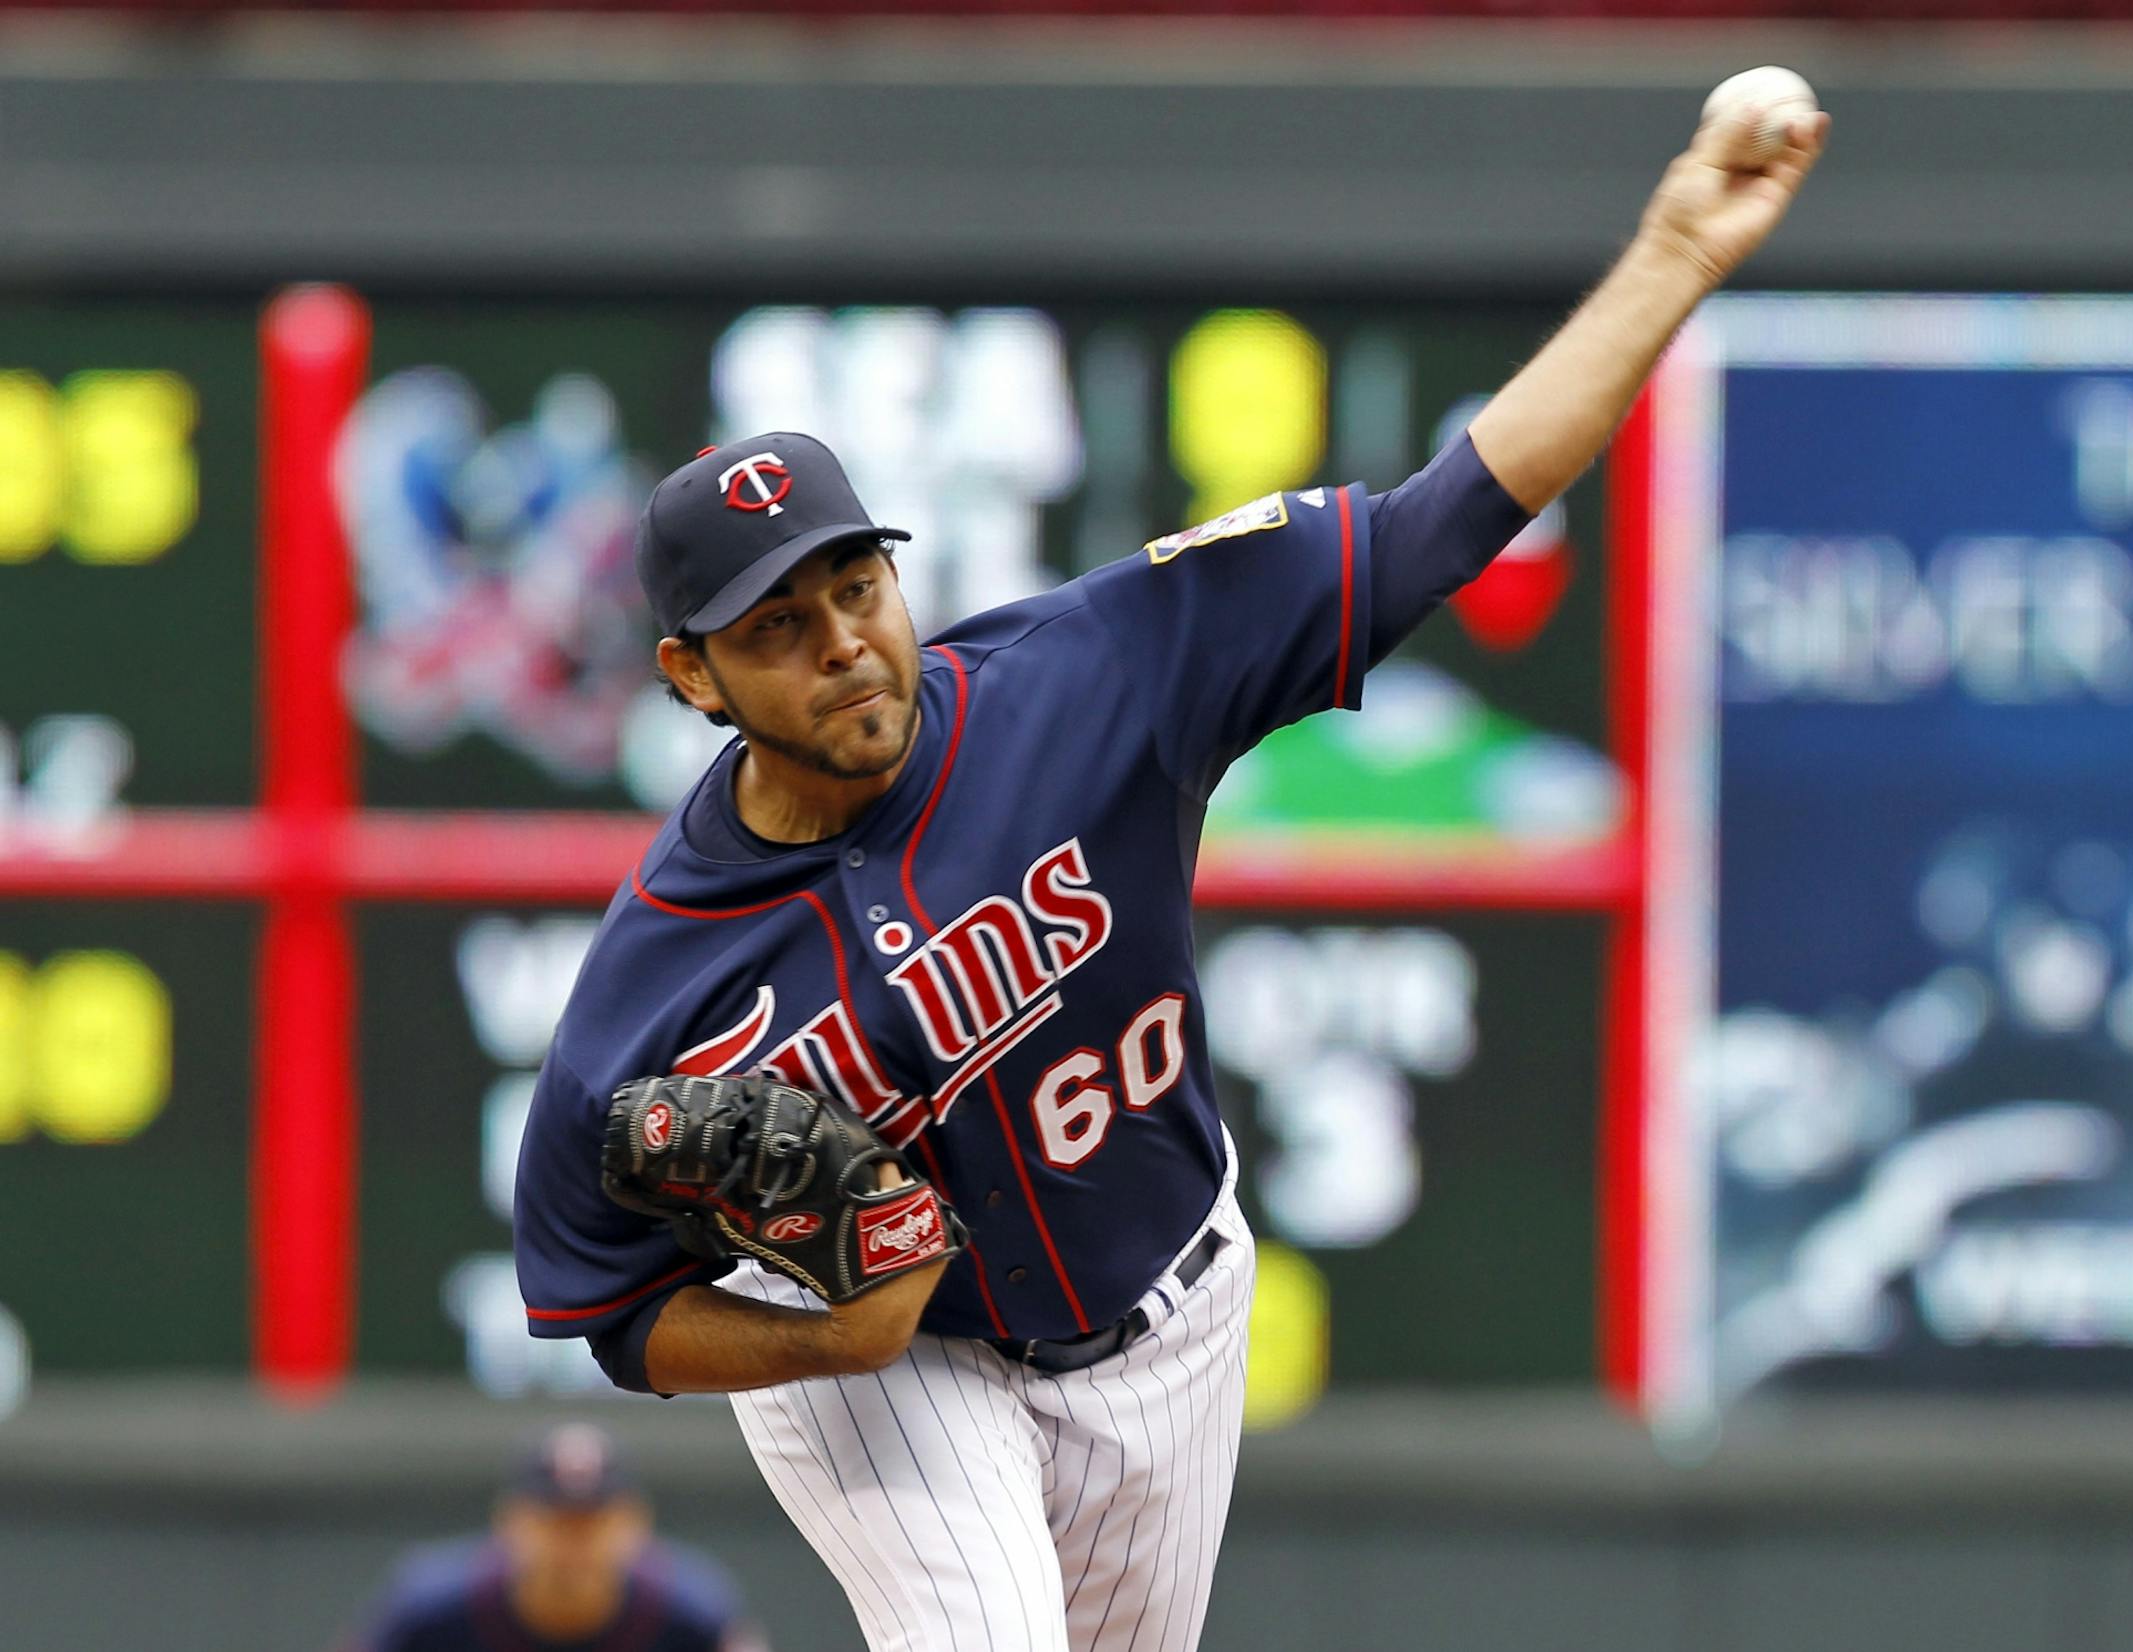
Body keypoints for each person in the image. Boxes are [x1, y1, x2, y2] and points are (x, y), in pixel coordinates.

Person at [513, 103, 1827, 1652]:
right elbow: (608, 1311)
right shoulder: (652, 990)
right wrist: (830, 1341)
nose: (843, 641)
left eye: (854, 585)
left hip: (1176, 1317)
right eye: (775, 628)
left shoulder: (1092, 675)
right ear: (691, 674)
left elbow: (1443, 519)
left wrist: (1674, 253)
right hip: (905, 1369)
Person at [341, 1424, 767, 1652]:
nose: (574, 1539)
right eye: (556, 1518)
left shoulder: (690, 1612)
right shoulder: (431, 1609)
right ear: (511, 1521)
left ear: (635, 1523)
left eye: (593, 1519)